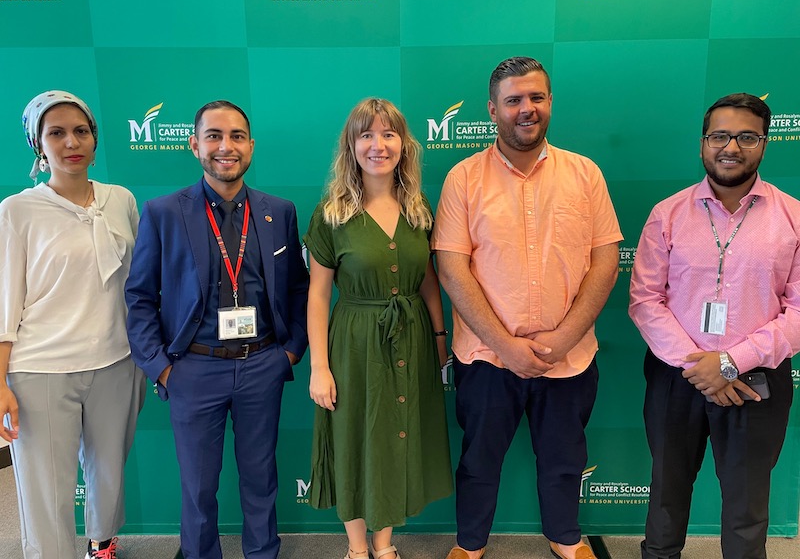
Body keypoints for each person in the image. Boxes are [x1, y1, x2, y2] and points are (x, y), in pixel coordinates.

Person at [432, 57, 622, 559]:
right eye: (513, 100)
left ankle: (565, 537)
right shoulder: (463, 178)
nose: (526, 109)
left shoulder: (586, 174)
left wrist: (564, 339)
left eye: (536, 97)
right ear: (492, 109)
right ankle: (470, 545)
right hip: (488, 357)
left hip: (570, 355)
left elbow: (605, 263)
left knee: (564, 457)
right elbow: (452, 270)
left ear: (550, 103)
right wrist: (506, 346)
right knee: (478, 459)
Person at [124, 100, 309, 559]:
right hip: (193, 369)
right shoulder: (164, 212)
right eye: (214, 136)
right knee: (199, 488)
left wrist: (289, 351)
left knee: (261, 477)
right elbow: (140, 297)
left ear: (250, 146)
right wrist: (162, 369)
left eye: (237, 137)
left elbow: (300, 289)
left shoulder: (278, 211)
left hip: (262, 364)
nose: (226, 147)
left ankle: (262, 553)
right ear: (194, 145)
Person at [629, 93, 800, 559]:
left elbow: (799, 311)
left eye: (747, 137)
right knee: (666, 492)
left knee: (747, 505)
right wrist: (702, 368)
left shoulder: (793, 216)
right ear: (703, 143)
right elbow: (645, 300)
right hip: (674, 376)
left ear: (765, 143)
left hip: (756, 378)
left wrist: (729, 363)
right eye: (719, 135)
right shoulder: (667, 214)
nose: (731, 147)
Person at [0, 90, 145, 559]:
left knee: (108, 471)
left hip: (116, 361)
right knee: (46, 487)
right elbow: (6, 301)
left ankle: (102, 545)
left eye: (80, 131)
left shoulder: (120, 200)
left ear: (95, 139)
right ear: (38, 146)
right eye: (56, 133)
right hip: (41, 368)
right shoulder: (17, 210)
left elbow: (138, 284)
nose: (71, 142)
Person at [305, 98, 453, 559]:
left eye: (388, 134)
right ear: (351, 146)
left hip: (411, 338)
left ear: (403, 145)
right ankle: (356, 548)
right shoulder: (332, 212)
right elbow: (317, 295)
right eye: (366, 134)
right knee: (353, 437)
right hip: (352, 342)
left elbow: (428, 280)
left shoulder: (418, 207)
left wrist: (439, 338)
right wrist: (319, 368)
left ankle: (385, 545)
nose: (378, 145)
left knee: (396, 436)